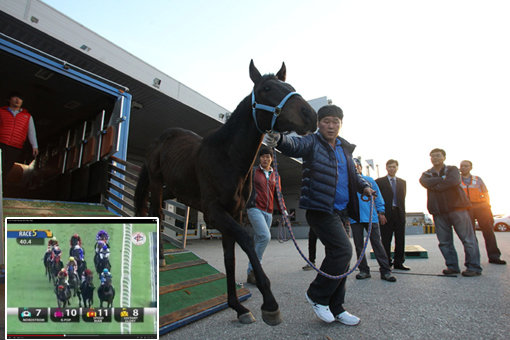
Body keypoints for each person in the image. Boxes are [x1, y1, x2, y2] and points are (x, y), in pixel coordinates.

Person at [267, 104, 374, 325]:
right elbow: (294, 145)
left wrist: (364, 187)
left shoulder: (345, 148)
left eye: (336, 122)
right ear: (319, 123)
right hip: (320, 209)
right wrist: (278, 140)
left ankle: (337, 307)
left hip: (341, 211)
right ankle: (317, 295)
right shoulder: (312, 142)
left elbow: (353, 175)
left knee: (342, 259)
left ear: (341, 124)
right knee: (343, 250)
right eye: (326, 121)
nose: (331, 125)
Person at [419, 148, 481, 277]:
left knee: (468, 240)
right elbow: (424, 182)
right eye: (433, 156)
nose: (435, 158)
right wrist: (443, 181)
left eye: (438, 155)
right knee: (444, 242)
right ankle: (452, 266)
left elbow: (454, 181)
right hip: (438, 211)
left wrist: (436, 186)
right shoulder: (426, 174)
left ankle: (474, 267)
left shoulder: (452, 170)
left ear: (444, 157)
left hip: (458, 209)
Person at [244, 146, 287, 284]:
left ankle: (251, 273)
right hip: (255, 208)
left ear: (272, 159)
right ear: (259, 158)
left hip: (269, 212)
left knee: (259, 240)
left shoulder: (276, 176)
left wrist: (284, 211)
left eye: (268, 156)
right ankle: (256, 269)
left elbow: (278, 195)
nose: (265, 159)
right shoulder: (253, 172)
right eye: (263, 156)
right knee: (265, 236)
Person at [351, 158, 396, 282]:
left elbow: (378, 197)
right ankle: (364, 270)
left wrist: (381, 212)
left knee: (377, 243)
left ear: (360, 168)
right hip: (355, 218)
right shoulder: (348, 183)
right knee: (359, 246)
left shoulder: (369, 181)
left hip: (371, 217)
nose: (355, 169)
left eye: (356, 166)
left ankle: (385, 270)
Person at [459, 160, 506, 265]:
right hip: (466, 208)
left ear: (471, 167)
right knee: (470, 235)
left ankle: (494, 257)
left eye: (466, 166)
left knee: (488, 232)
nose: (464, 168)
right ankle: (474, 260)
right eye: (462, 166)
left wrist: (488, 207)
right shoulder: (457, 180)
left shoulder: (478, 179)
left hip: (481, 207)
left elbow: (485, 193)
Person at [375, 159, 409, 270]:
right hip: (386, 214)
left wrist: (403, 215)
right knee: (385, 239)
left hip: (399, 214)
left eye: (394, 167)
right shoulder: (379, 182)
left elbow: (402, 199)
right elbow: (377, 199)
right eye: (389, 167)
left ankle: (399, 262)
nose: (392, 169)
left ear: (397, 168)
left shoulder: (402, 182)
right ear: (386, 168)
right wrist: (380, 213)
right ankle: (386, 263)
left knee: (400, 239)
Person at [0, 92, 38, 182]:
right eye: (15, 98)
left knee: (7, 168)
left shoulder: (28, 116)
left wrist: (35, 146)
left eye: (20, 99)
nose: (17, 100)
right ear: (9, 100)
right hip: (1, 143)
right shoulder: (1, 112)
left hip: (15, 146)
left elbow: (31, 132)